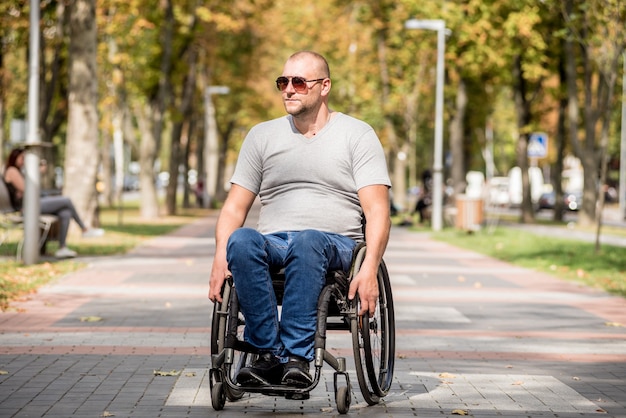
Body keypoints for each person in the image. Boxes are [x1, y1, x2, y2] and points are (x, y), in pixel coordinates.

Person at [208, 51, 391, 388]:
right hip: (276, 241)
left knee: (308, 240)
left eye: (298, 82)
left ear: (324, 87)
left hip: (335, 243)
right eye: (283, 82)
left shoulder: (357, 135)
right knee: (241, 240)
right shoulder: (261, 136)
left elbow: (377, 210)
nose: (288, 89)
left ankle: (297, 357)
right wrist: (221, 255)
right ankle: (269, 354)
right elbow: (235, 208)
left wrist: (370, 269)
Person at [3, 148, 104, 258]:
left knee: (65, 212)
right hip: (27, 208)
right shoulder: (12, 171)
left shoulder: (19, 171)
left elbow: (28, 190)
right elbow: (29, 190)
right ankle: (84, 229)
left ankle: (62, 248)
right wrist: (34, 172)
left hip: (32, 204)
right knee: (66, 201)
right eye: (22, 158)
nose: (24, 161)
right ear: (14, 157)